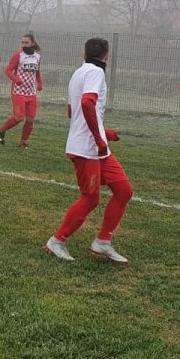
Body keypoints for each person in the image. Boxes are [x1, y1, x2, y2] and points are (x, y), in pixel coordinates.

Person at [45, 37, 132, 263]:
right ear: (107, 55)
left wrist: (105, 132)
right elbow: (86, 103)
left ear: (84, 53)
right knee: (90, 199)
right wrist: (97, 137)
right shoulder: (96, 72)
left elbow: (71, 112)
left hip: (96, 146)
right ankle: (57, 241)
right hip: (87, 148)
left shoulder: (78, 73)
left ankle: (103, 242)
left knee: (123, 191)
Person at [0, 32, 43, 149]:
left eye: (26, 42)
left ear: (32, 43)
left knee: (30, 119)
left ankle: (23, 142)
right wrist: (16, 79)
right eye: (22, 42)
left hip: (31, 93)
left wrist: (40, 83)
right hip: (18, 92)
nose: (24, 45)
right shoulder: (18, 55)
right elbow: (7, 71)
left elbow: (37, 72)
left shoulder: (37, 57)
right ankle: (2, 130)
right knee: (19, 118)